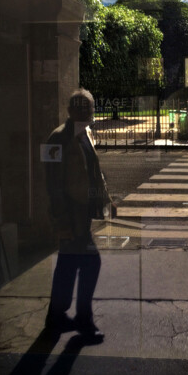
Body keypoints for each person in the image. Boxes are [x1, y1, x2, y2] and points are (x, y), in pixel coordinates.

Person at [44, 89, 115, 338]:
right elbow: (51, 182)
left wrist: (107, 201)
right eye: (81, 108)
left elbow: (94, 171)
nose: (87, 112)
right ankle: (82, 317)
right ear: (70, 111)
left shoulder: (85, 134)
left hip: (82, 212)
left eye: (90, 107)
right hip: (69, 212)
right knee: (89, 262)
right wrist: (61, 219)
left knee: (68, 263)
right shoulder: (56, 139)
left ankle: (56, 316)